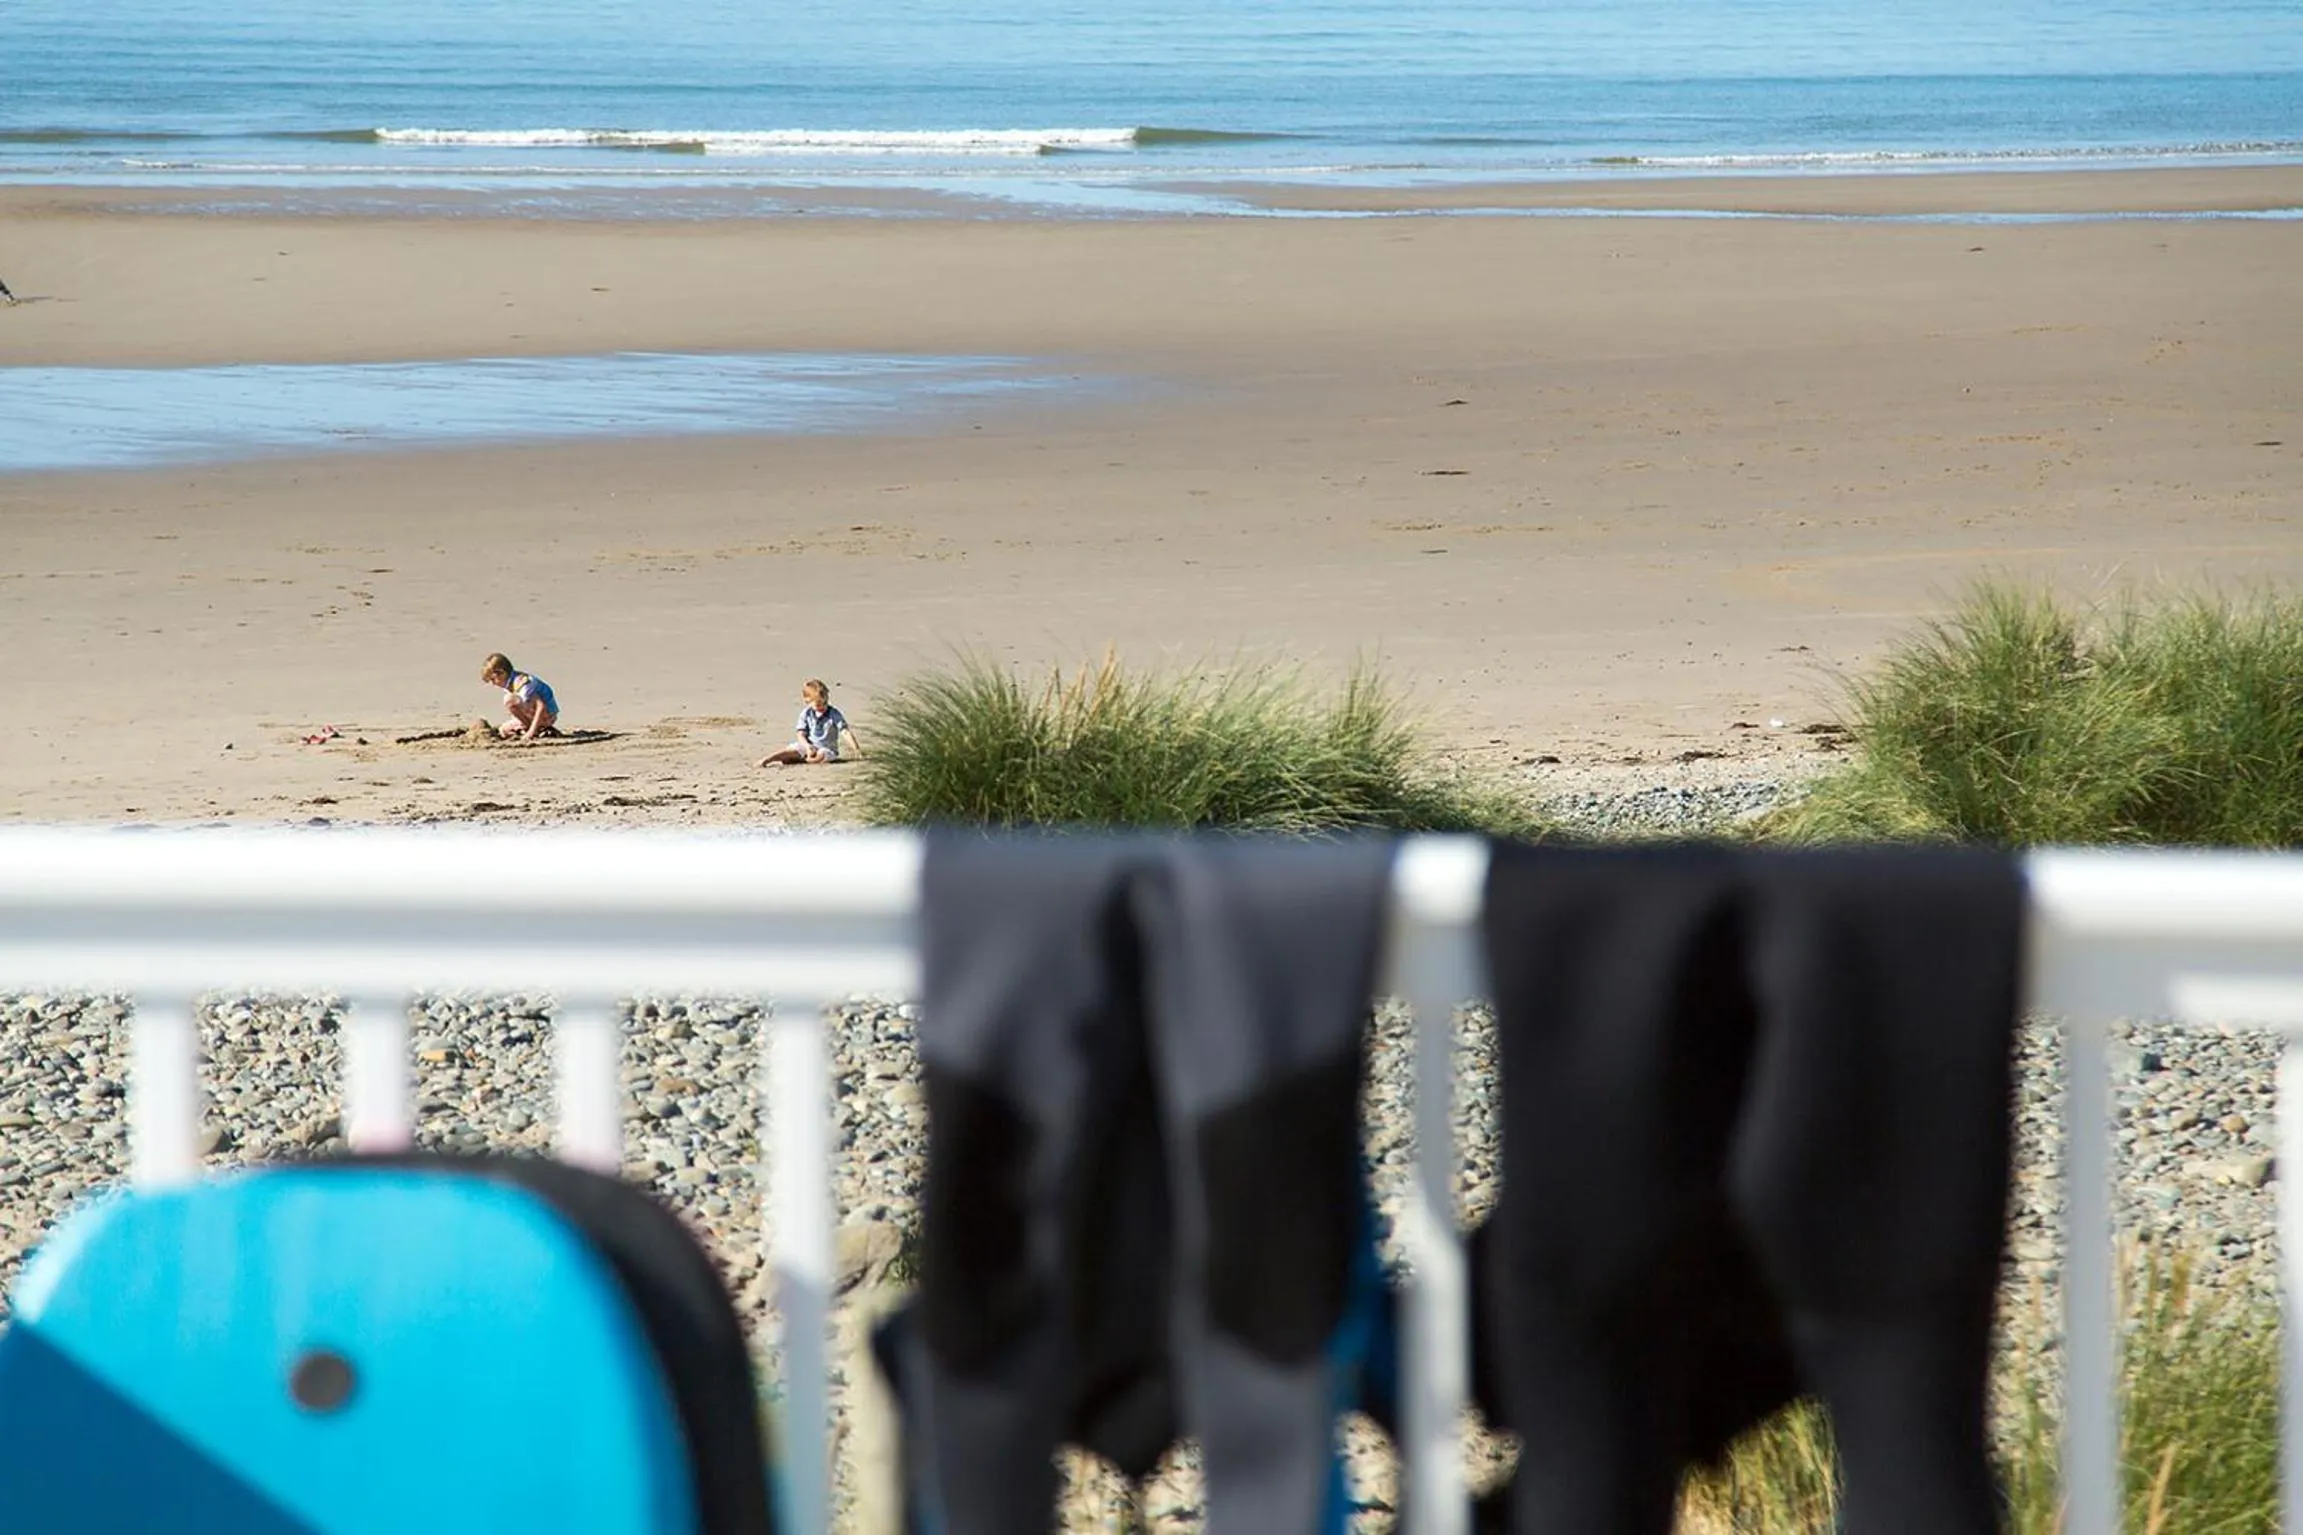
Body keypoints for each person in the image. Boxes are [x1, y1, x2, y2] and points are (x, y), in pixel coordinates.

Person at [760, 678, 861, 767]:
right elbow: (800, 734)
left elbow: (845, 731)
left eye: (825, 703)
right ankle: (768, 759)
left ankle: (805, 760)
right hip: (808, 746)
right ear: (807, 702)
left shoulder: (833, 714)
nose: (822, 707)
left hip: (827, 749)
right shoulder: (806, 714)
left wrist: (855, 748)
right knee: (791, 750)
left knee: (822, 755)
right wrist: (808, 746)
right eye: (818, 705)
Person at [480, 652, 559, 740]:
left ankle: (535, 729)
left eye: (493, 679)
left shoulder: (523, 684)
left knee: (509, 700)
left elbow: (541, 706)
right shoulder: (510, 683)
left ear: (502, 673)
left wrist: (531, 732)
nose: (493, 684)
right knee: (504, 730)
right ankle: (540, 730)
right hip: (535, 715)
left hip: (547, 715)